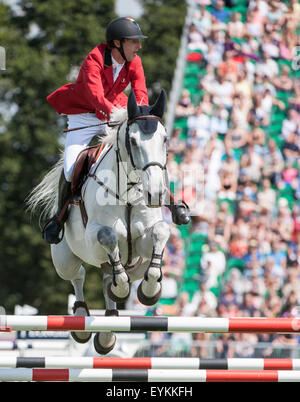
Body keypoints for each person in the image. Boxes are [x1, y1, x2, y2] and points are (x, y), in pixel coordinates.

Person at [43, 17, 190, 244]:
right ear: (117, 43)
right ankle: (58, 218)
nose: (138, 47)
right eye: (134, 42)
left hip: (118, 108)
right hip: (86, 114)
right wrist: (114, 113)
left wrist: (139, 114)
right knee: (72, 168)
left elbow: (140, 90)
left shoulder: (135, 61)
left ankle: (172, 202)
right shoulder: (94, 59)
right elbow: (95, 96)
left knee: (143, 151)